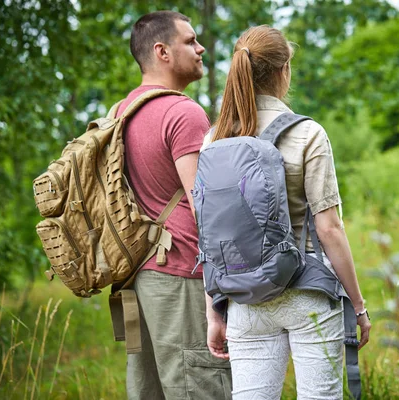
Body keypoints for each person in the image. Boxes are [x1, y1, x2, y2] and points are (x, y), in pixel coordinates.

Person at [203, 25, 371, 399]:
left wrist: (214, 311)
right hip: (306, 291)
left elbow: (211, 236)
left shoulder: (213, 139)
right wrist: (357, 307)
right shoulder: (308, 133)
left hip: (243, 301)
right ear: (284, 71)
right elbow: (329, 229)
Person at [115, 11, 232, 400]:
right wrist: (220, 294)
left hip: (139, 273)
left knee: (150, 389)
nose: (200, 49)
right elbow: (205, 205)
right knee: (200, 383)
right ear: (161, 51)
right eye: (190, 41)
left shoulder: (121, 112)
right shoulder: (183, 112)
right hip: (182, 271)